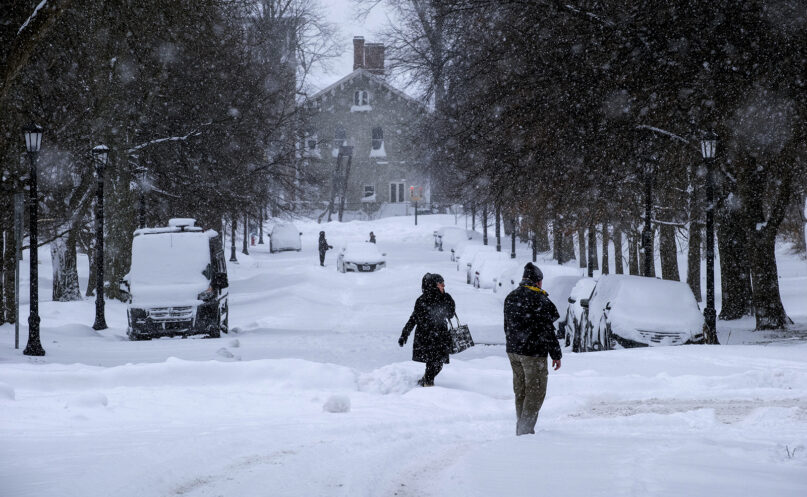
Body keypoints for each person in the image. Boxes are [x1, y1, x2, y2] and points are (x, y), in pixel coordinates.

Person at [503, 262, 562, 435]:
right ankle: (525, 431)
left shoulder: (511, 296)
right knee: (535, 392)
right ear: (538, 281)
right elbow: (548, 330)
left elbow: (506, 326)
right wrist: (556, 354)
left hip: (513, 351)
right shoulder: (539, 300)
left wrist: (513, 343)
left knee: (520, 391)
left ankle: (521, 427)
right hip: (533, 353)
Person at [399, 273, 456, 387]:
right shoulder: (422, 300)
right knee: (433, 363)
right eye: (441, 283)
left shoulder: (445, 297)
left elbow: (450, 315)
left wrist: (446, 298)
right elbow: (413, 318)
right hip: (426, 338)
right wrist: (404, 334)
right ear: (433, 285)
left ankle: (426, 380)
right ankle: (428, 386)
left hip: (441, 336)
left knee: (438, 364)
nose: (444, 285)